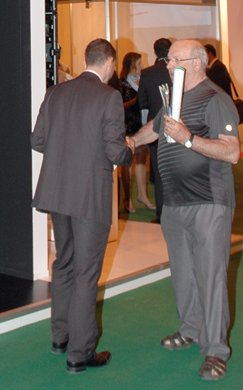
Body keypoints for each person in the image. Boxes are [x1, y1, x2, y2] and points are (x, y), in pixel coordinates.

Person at [128, 40, 240, 381]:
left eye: (174, 59)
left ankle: (216, 350)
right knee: (184, 273)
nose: (167, 64)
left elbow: (232, 152)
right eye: (168, 59)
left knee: (211, 277)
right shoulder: (173, 98)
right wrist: (131, 141)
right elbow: (155, 129)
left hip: (208, 202)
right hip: (174, 203)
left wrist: (189, 139)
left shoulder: (215, 98)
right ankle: (191, 328)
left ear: (196, 62)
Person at [32, 38, 132, 373]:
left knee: (64, 264)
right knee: (86, 274)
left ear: (87, 59)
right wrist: (131, 149)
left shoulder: (56, 92)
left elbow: (37, 140)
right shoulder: (109, 96)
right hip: (90, 196)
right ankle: (80, 352)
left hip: (58, 193)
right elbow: (115, 151)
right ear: (110, 63)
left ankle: (60, 338)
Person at [137, 37, 171, 221]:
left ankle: (162, 214)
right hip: (178, 126)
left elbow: (143, 104)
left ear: (155, 52)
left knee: (159, 174)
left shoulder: (147, 73)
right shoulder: (178, 70)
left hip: (155, 130)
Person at [119, 52, 154, 213]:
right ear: (132, 65)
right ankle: (128, 199)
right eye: (139, 63)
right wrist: (136, 99)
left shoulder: (143, 80)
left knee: (141, 158)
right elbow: (121, 105)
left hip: (142, 124)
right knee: (127, 161)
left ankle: (142, 194)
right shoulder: (122, 83)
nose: (142, 66)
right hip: (128, 126)